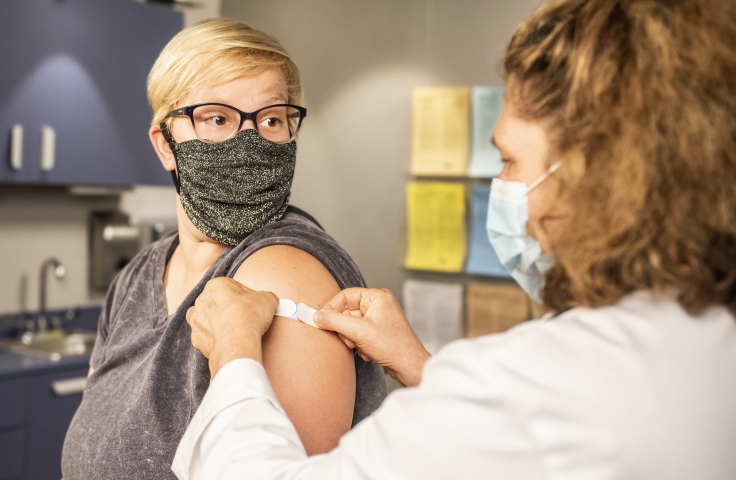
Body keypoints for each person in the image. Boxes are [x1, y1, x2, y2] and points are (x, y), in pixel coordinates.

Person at [173, 0, 736, 478]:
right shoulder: (700, 341)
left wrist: (235, 353)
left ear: (597, 177)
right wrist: (420, 364)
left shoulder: (538, 383)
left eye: (511, 160)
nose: (500, 188)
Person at [60, 18, 386, 479]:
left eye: (272, 119)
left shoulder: (285, 274)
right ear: (166, 145)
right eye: (217, 118)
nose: (249, 140)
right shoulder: (136, 280)